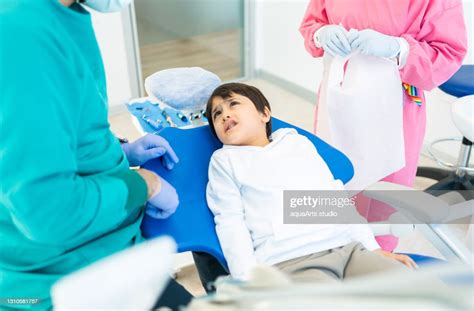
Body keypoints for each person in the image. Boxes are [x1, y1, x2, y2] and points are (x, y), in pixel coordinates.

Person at [0, 0, 191, 309]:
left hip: (106, 257)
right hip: (60, 286)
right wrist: (143, 184)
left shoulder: (59, 16)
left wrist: (119, 151)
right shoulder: (19, 33)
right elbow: (48, 211)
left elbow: (60, 133)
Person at [299, 0, 468, 252]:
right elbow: (312, 24)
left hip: (394, 109)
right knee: (333, 188)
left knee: (384, 201)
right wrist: (321, 34)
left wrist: (397, 49)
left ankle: (378, 263)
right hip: (337, 102)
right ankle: (331, 257)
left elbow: (448, 52)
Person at [205, 83, 416, 282]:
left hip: (348, 249)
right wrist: (247, 279)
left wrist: (372, 249)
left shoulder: (297, 143)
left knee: (414, 288)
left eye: (234, 104)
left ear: (265, 114)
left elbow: (333, 197)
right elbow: (230, 222)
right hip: (290, 260)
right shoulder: (225, 161)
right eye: (217, 114)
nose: (225, 115)